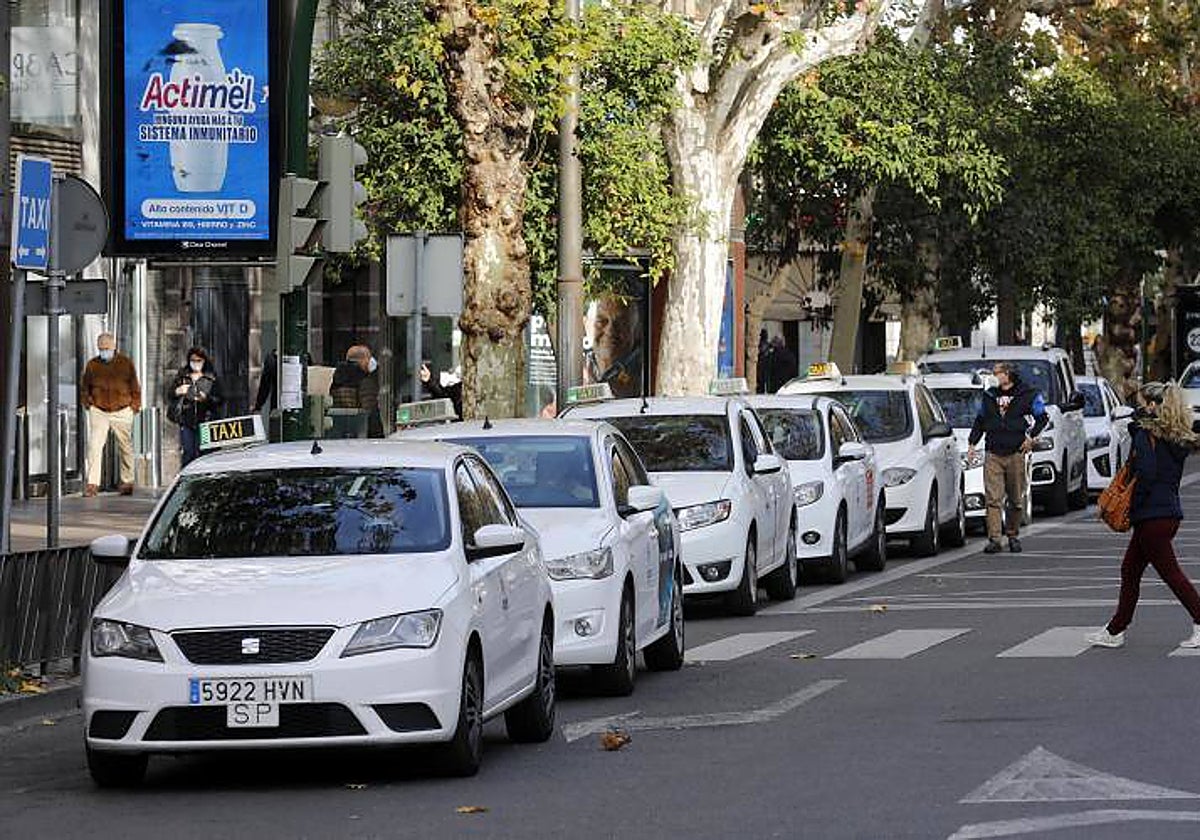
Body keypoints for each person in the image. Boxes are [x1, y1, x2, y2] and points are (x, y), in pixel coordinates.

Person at [1087, 382, 1200, 649]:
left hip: (1152, 515)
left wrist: (1133, 505)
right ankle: (1115, 630)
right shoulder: (1176, 436)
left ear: (1151, 406)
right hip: (1166, 513)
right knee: (1130, 570)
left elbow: (1146, 473)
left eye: (1140, 403)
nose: (1137, 408)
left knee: (1172, 575)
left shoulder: (1144, 435)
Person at [967, 361, 1048, 554]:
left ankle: (1012, 534)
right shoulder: (990, 396)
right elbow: (980, 420)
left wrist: (1031, 438)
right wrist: (972, 444)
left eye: (998, 372)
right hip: (993, 452)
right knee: (993, 499)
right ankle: (995, 539)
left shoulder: (1027, 394)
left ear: (1008, 374)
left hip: (1016, 452)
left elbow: (1042, 417)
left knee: (1015, 499)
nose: (996, 376)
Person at [80, 333, 141, 497]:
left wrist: (134, 406)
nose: (104, 351)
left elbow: (135, 385)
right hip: (99, 410)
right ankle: (92, 484)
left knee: (125, 446)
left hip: (122, 409)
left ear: (113, 347)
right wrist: (88, 403)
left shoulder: (125, 363)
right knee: (94, 446)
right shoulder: (92, 365)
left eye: (106, 348)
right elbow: (85, 386)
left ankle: (127, 481)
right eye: (101, 349)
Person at [167, 347, 223, 467]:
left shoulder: (211, 377)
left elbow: (220, 399)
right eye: (193, 360)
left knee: (205, 454)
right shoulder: (183, 375)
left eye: (199, 360)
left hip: (206, 421)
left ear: (204, 361)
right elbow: (170, 394)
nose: (196, 363)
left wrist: (206, 399)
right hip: (187, 420)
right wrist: (178, 391)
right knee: (188, 453)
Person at [329, 345, 383, 438]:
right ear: (362, 360)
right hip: (362, 435)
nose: (371, 361)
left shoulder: (337, 378)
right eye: (368, 358)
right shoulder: (365, 381)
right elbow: (370, 413)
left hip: (340, 433)